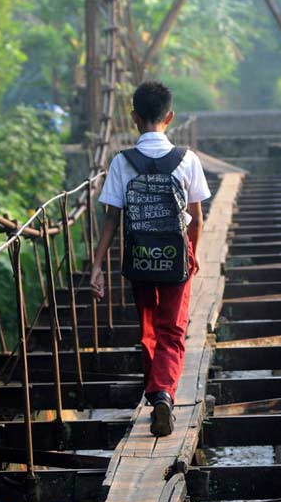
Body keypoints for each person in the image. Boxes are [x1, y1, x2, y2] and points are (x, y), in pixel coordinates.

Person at [89, 80, 211, 437]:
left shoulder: (121, 162)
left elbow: (111, 219)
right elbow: (196, 216)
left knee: (148, 329)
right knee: (172, 329)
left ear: (134, 117)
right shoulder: (188, 159)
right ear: (169, 117)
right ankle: (163, 394)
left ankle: (156, 392)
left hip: (139, 257)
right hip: (176, 256)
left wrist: (97, 266)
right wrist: (192, 253)